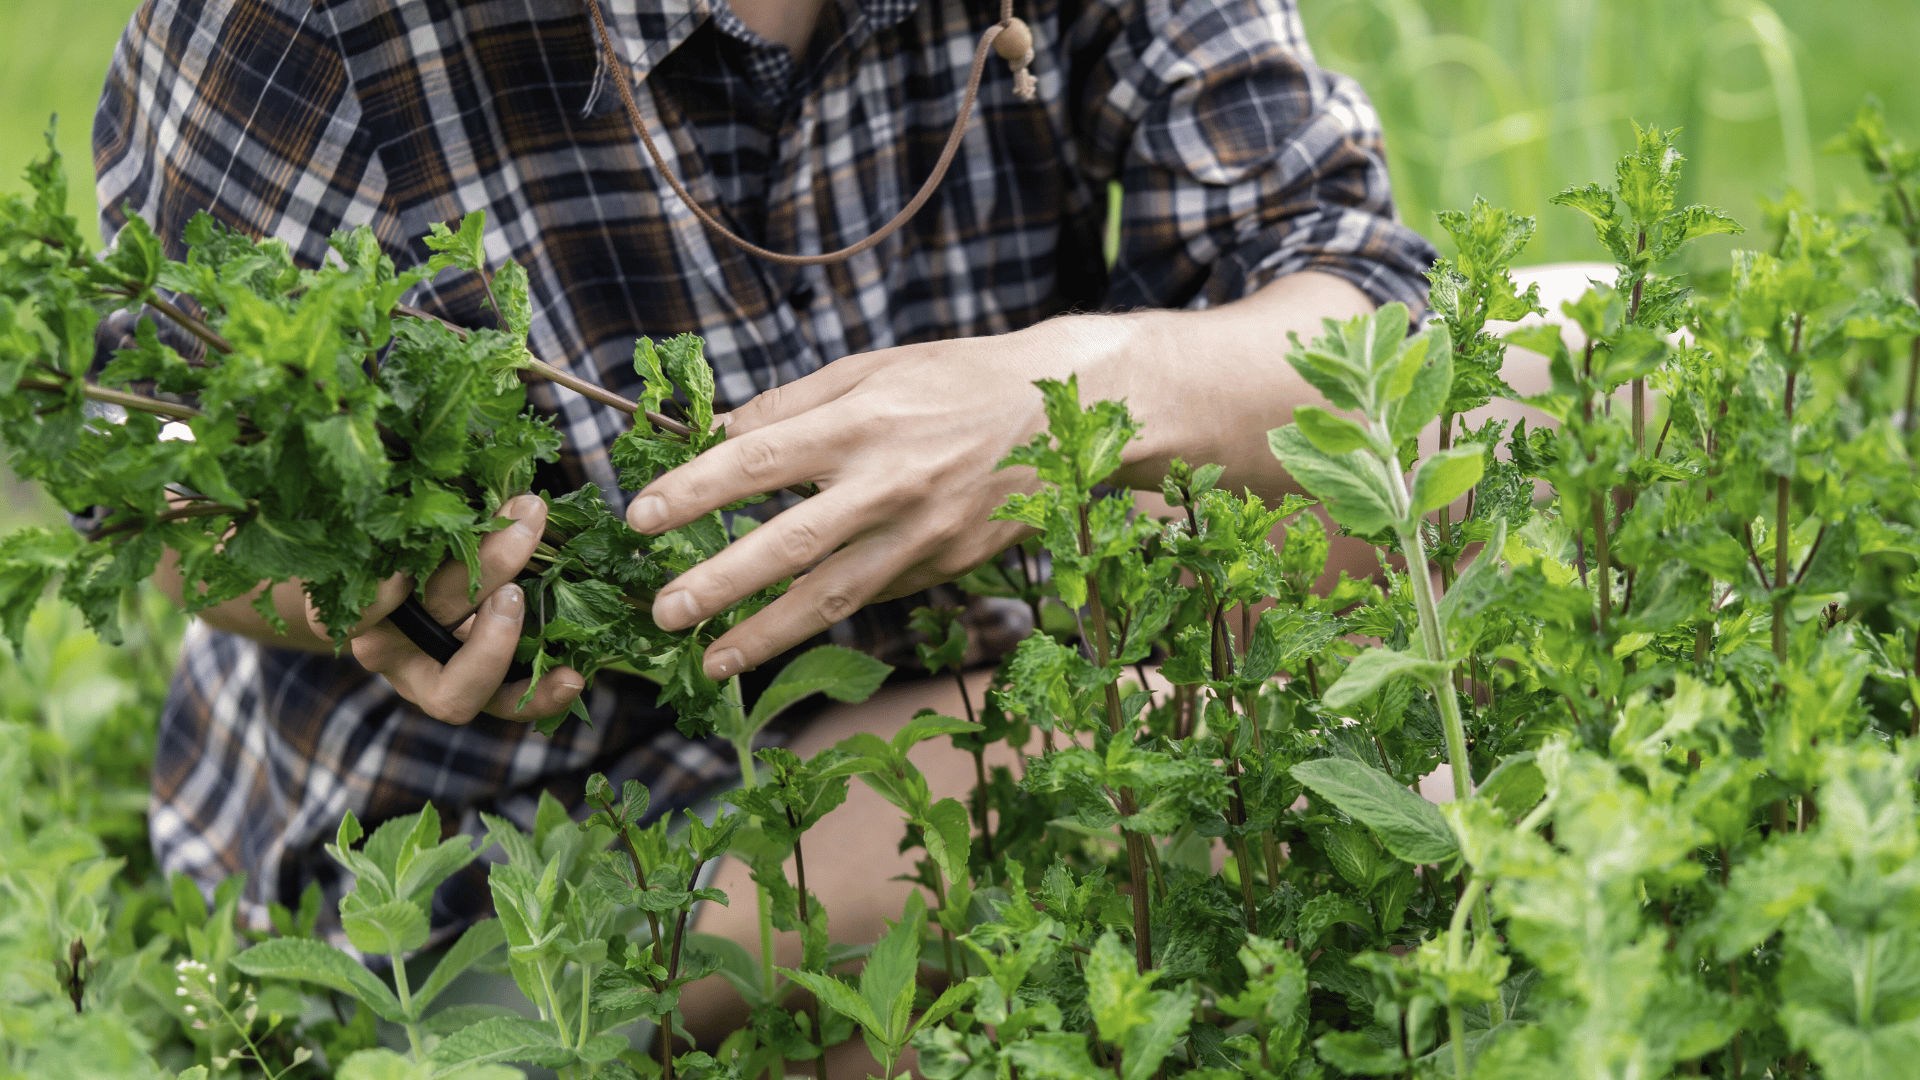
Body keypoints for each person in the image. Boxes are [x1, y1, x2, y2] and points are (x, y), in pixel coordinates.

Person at [93, 0, 1434, 1041]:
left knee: (1555, 381)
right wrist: (362, 573)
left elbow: (1355, 292)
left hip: (991, 666)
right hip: (515, 840)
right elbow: (153, 455)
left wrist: (1056, 402)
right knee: (1147, 786)